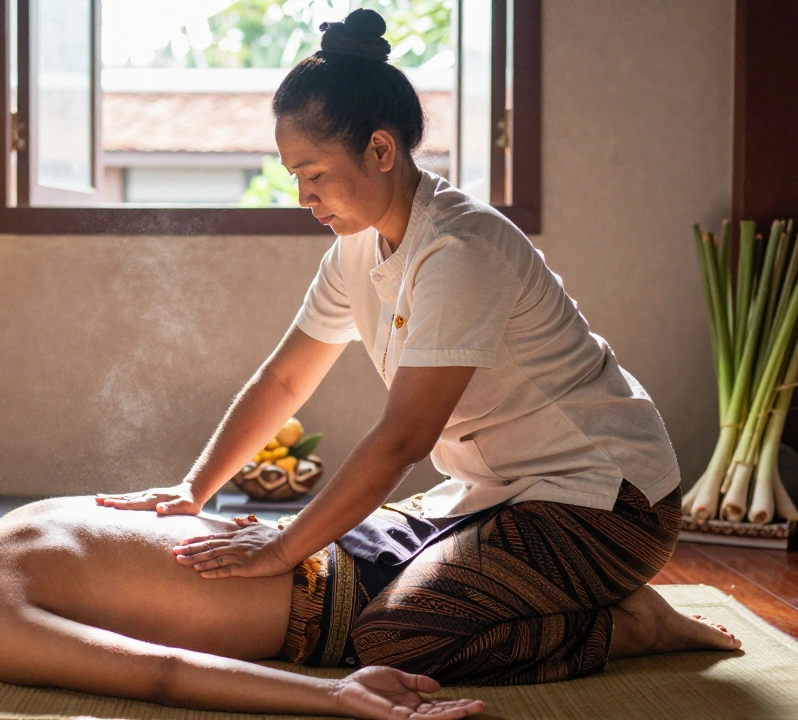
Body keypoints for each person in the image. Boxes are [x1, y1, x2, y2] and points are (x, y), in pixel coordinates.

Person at [96, 9, 706, 685]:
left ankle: (630, 626)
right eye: (293, 175)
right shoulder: (355, 248)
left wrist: (281, 547)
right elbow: (285, 380)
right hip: (491, 492)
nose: (302, 195)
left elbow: (403, 440)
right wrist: (194, 489)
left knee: (394, 636)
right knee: (340, 578)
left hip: (606, 500)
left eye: (313, 173)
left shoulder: (460, 250)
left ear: (381, 150)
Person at [0, 493, 738, 720]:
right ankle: (616, 597)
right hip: (358, 537)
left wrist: (335, 695)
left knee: (404, 644)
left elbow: (161, 677)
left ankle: (629, 627)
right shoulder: (17, 519)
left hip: (357, 600)